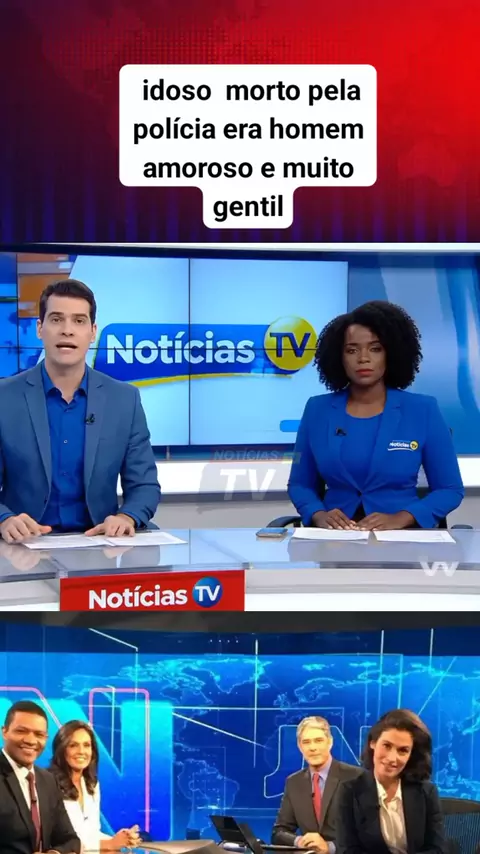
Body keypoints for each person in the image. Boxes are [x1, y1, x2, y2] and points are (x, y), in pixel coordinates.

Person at [0, 278, 161, 543]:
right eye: (56, 319)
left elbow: (144, 485)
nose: (67, 331)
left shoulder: (124, 399)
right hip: (23, 544)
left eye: (78, 321)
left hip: (99, 545)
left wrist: (126, 517)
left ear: (93, 331)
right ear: (39, 329)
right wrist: (5, 518)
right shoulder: (5, 397)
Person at [288, 301, 464, 531]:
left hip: (402, 536)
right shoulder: (317, 409)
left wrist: (402, 517)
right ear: (339, 357)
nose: (363, 358)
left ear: (391, 353)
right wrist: (318, 514)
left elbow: (450, 489)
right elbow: (300, 484)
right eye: (352, 350)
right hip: (336, 537)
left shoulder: (423, 409)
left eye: (375, 349)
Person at [335, 708, 446, 854]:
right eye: (387, 746)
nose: (392, 758)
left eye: (403, 750)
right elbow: (347, 850)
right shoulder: (350, 791)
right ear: (373, 743)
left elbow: (437, 849)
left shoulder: (426, 792)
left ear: (411, 754)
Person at [0, 699, 81, 854]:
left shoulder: (48, 781)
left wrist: (54, 853)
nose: (31, 740)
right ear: (4, 731)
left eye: (39, 734)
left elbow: (70, 840)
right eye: (21, 731)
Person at [272, 716, 363, 852]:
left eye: (318, 740)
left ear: (330, 742)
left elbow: (367, 834)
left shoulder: (356, 777)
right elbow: (279, 833)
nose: (312, 748)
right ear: (300, 747)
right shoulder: (294, 782)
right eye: (306, 742)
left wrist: (329, 848)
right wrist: (299, 841)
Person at [50, 720, 140, 852]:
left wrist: (120, 839)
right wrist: (109, 843)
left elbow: (92, 833)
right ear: (62, 749)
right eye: (73, 745)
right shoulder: (48, 783)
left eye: (87, 745)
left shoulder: (91, 784)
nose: (81, 751)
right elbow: (60, 839)